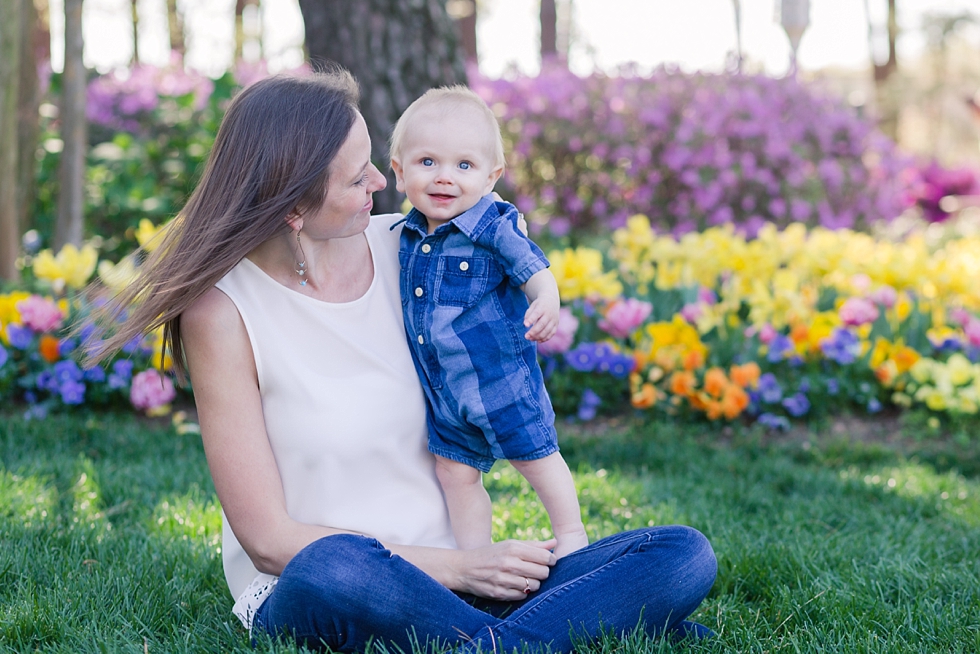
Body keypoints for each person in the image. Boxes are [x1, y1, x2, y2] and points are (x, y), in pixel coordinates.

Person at [87, 70, 717, 653]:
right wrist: (463, 567)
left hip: (462, 585)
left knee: (682, 554)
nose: (381, 183)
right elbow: (269, 541)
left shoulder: (420, 251)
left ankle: (496, 640)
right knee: (333, 564)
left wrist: (476, 566)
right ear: (293, 208)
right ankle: (543, 635)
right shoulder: (223, 312)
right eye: (358, 174)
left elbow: (512, 254)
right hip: (334, 585)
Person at [389, 86, 588, 558]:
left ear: (490, 175)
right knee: (455, 473)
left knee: (535, 455)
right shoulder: (405, 232)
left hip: (500, 378)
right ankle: (475, 555)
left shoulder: (492, 224)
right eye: (427, 162)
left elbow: (533, 267)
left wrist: (547, 298)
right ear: (399, 172)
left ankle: (573, 535)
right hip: (445, 390)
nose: (444, 178)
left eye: (464, 165)